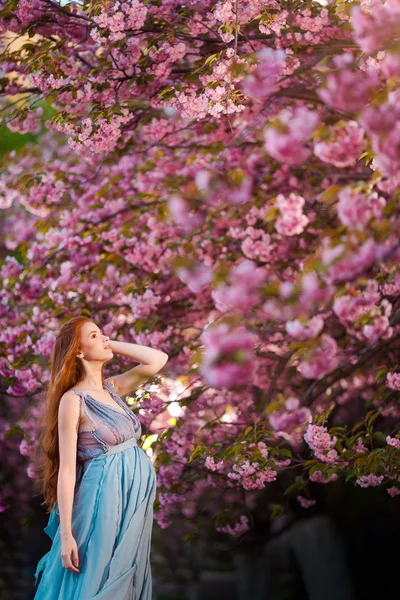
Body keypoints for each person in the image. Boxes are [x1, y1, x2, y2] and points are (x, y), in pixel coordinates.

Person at [32, 315, 169, 599]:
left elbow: (158, 359)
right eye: (94, 336)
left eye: (102, 332)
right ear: (79, 351)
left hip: (132, 499)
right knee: (100, 575)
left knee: (125, 572)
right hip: (101, 499)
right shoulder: (73, 400)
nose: (104, 338)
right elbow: (68, 470)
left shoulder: (113, 389)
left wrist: (109, 342)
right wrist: (67, 534)